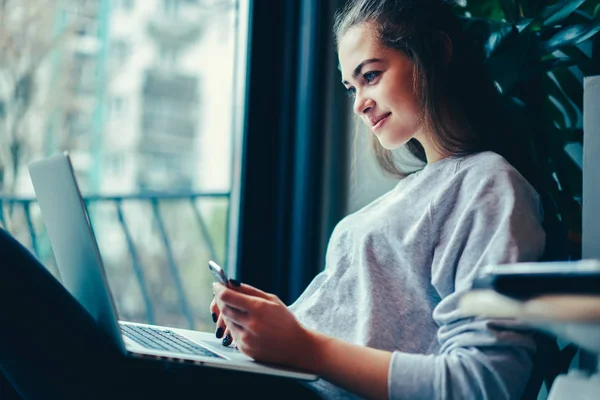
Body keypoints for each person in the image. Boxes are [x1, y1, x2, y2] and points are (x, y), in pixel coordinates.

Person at [1, 0, 547, 399]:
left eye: (371, 75)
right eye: (351, 87)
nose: (359, 103)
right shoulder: (412, 192)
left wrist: (306, 348)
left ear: (435, 56)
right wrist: (281, 326)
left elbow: (484, 383)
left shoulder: (488, 185)